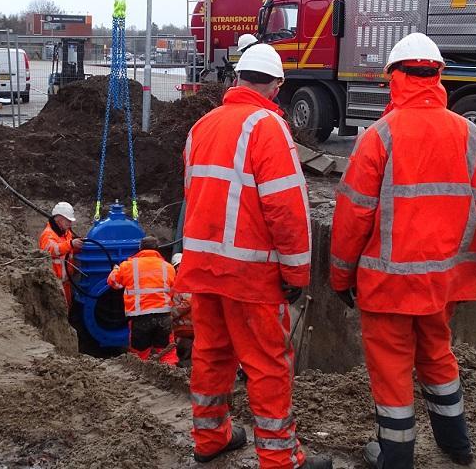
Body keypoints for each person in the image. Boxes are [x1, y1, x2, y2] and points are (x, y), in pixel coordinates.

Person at [329, 32, 476, 469]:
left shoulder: (379, 137)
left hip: (387, 286)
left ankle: (396, 456)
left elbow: (352, 219)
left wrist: (341, 279)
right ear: (438, 75)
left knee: (391, 368)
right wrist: (467, 272)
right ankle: (457, 446)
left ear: (393, 78)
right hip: (443, 283)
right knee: (438, 355)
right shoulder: (473, 138)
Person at [174, 43, 331, 469]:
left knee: (211, 354)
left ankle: (209, 437)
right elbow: (287, 211)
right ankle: (280, 459)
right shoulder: (269, 128)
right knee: (267, 366)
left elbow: (194, 196)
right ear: (276, 86)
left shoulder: (201, 126)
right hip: (249, 276)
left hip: (204, 268)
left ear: (238, 79)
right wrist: (297, 274)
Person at [108, 236, 178, 366]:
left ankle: (139, 382)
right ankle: (172, 378)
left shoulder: (128, 265)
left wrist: (116, 269)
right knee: (167, 353)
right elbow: (174, 290)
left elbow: (114, 282)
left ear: (140, 249)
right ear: (157, 250)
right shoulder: (168, 267)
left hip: (140, 318)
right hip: (163, 316)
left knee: (139, 355)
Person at [39, 202, 83, 307]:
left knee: (68, 305)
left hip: (66, 281)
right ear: (59, 219)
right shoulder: (48, 234)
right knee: (60, 309)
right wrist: (71, 243)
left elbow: (68, 250)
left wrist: (78, 247)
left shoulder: (66, 233)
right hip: (55, 284)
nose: (70, 223)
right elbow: (53, 249)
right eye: (68, 220)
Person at [169, 253, 194, 367]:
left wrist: (171, 315)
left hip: (187, 327)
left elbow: (188, 302)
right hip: (183, 327)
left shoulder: (185, 281)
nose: (178, 269)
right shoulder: (176, 281)